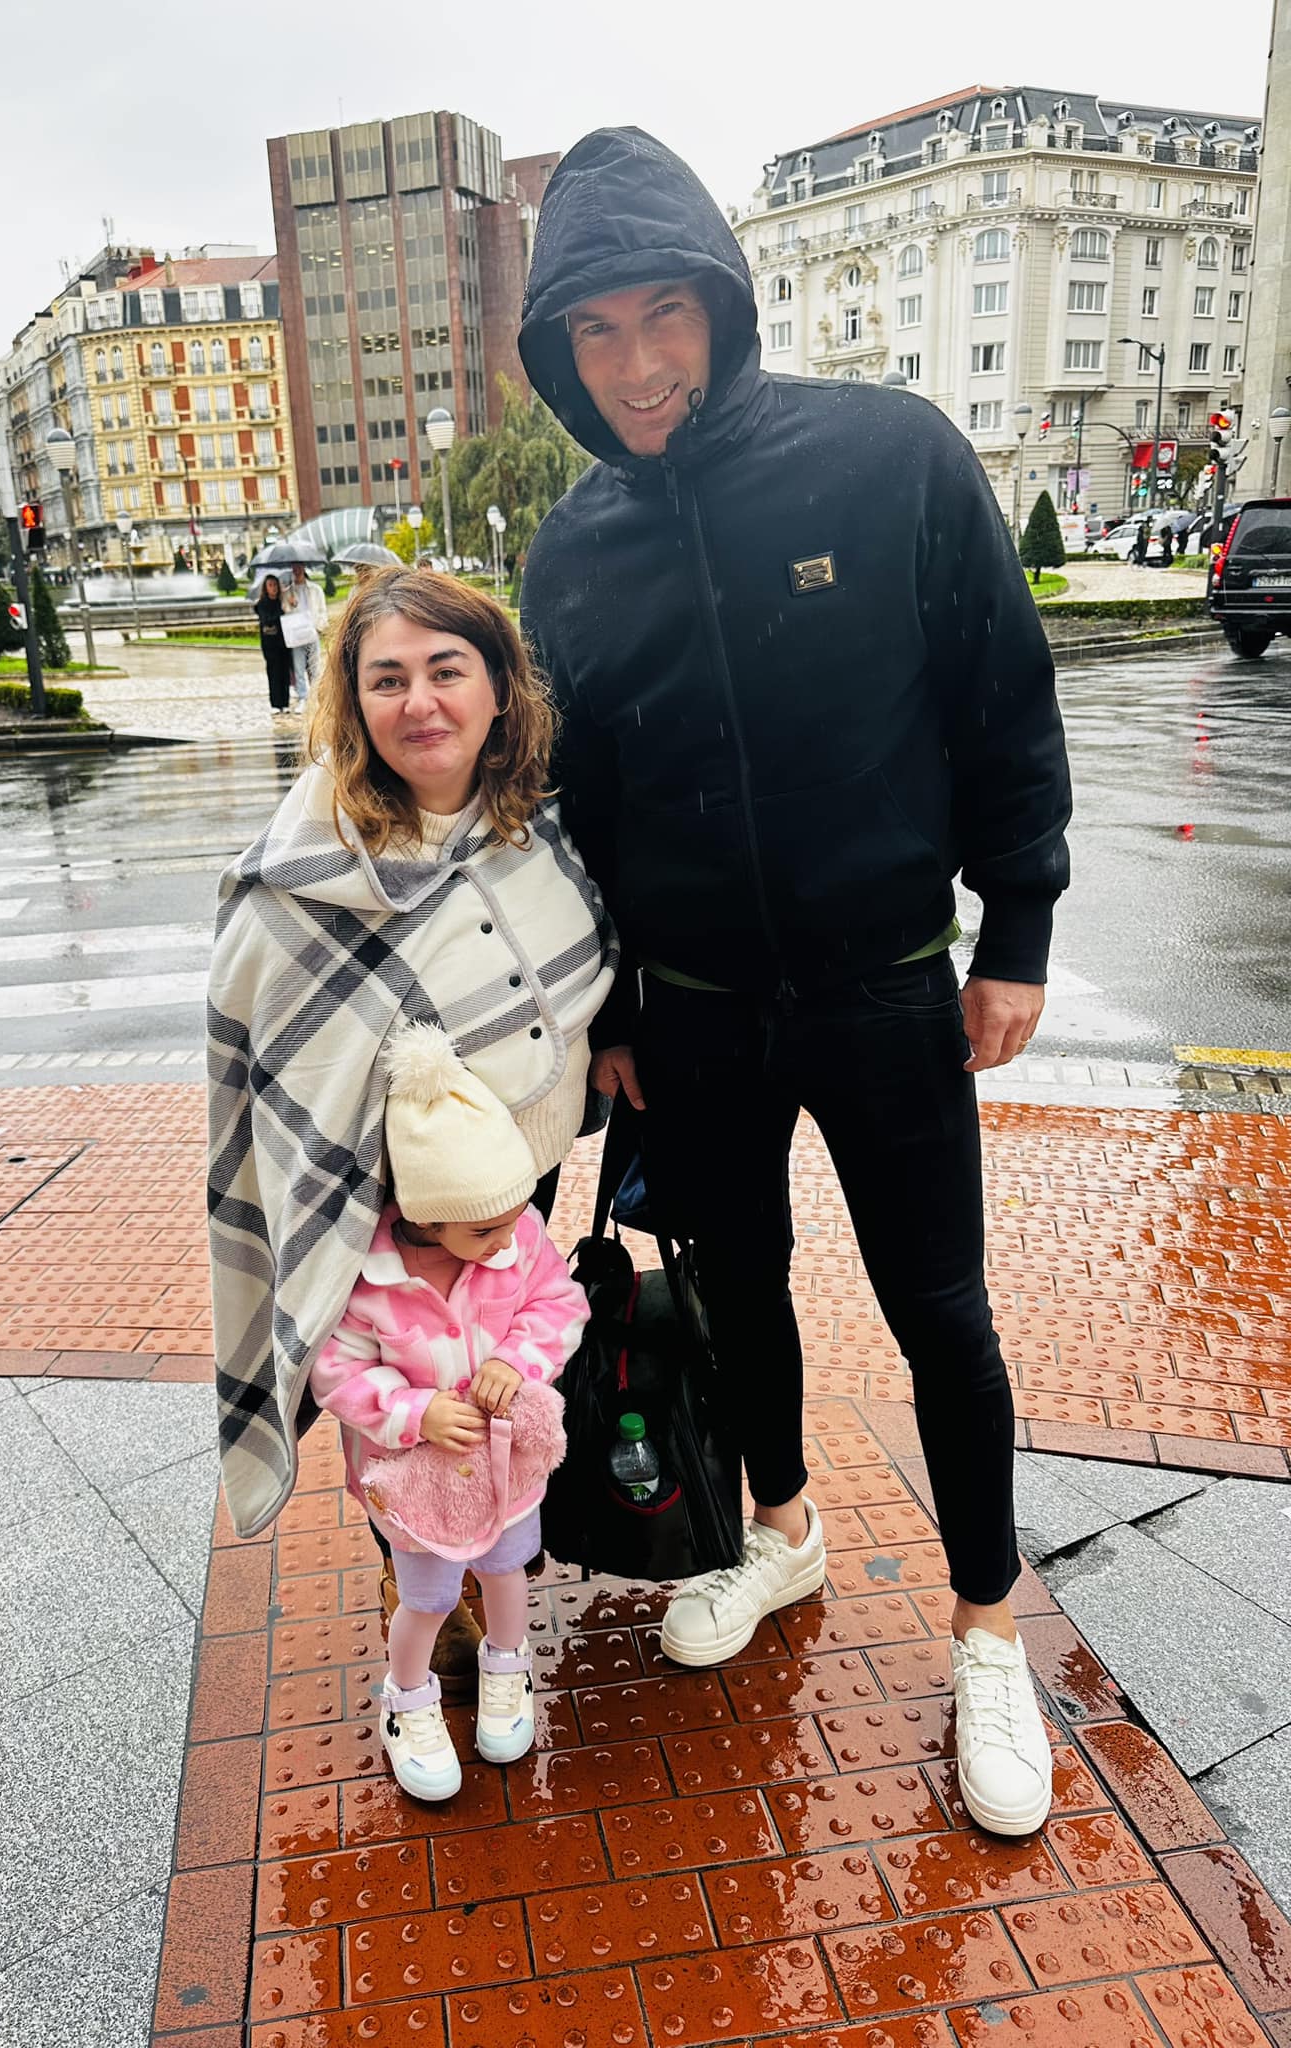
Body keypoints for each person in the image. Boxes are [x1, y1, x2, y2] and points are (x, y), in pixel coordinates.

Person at [518, 128, 1072, 1839]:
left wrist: (1018, 931)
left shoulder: (886, 458)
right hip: (691, 1008)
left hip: (885, 985)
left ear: (721, 302)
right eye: (595, 332)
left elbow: (1002, 696)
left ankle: (987, 1629)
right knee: (737, 1286)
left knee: (941, 1312)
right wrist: (611, 1014)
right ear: (556, 351)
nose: (635, 366)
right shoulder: (573, 551)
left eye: (662, 316)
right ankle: (782, 1529)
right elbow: (575, 806)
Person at [206, 567, 616, 1696]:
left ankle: (492, 1543)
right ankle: (418, 1581)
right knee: (403, 1381)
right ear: (353, 702)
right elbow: (281, 1049)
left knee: (490, 1358)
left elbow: (581, 961)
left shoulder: (531, 820)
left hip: (524, 1172)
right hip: (387, 1204)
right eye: (387, 679)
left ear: (499, 687)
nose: (421, 702)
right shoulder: (310, 866)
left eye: (447, 670)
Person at [310, 1024, 587, 1799]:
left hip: (505, 1459)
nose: (505, 1243)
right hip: (415, 1476)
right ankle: (407, 1699)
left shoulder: (515, 1235)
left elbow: (557, 1304)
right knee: (428, 1594)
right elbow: (335, 1372)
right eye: (484, 1231)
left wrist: (514, 1362)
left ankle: (508, 1666)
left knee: (507, 1565)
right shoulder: (366, 1276)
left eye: (515, 1219)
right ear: (426, 1215)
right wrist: (412, 1412)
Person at [283, 560, 328, 708]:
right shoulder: (288, 592)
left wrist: (318, 627)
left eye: (299, 567)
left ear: (303, 568)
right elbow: (285, 612)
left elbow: (322, 610)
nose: (297, 570)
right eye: (294, 567)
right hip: (296, 635)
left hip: (311, 632)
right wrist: (290, 604)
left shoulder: (315, 589)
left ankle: (316, 696)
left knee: (315, 667)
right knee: (299, 667)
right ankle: (303, 697)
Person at [251, 573, 293, 715]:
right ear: (266, 588)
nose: (273, 588)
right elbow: (267, 620)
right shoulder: (262, 604)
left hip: (284, 642)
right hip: (270, 644)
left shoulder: (282, 601)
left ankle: (285, 703)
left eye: (275, 585)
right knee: (273, 673)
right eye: (270, 585)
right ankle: (275, 703)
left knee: (285, 673)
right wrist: (281, 613)